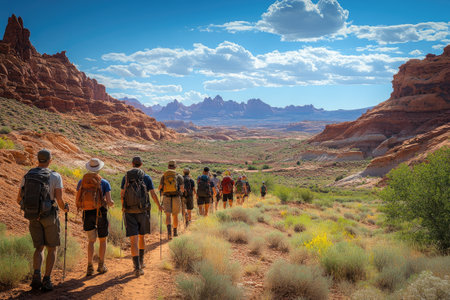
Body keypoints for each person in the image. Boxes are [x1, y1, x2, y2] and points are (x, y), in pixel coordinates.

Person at [17, 149, 69, 291]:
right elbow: (59, 199)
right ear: (50, 160)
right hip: (50, 216)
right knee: (52, 248)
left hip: (33, 216)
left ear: (37, 160)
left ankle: (36, 277)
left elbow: (19, 198)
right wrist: (65, 208)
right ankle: (47, 280)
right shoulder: (55, 176)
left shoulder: (28, 175)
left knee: (38, 248)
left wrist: (33, 209)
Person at [121, 156, 162, 276]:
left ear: (132, 164)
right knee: (141, 237)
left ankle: (137, 267)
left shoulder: (126, 177)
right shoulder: (146, 177)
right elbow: (153, 194)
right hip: (143, 211)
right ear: (141, 164)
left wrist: (123, 208)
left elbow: (122, 194)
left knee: (133, 240)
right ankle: (142, 261)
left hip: (129, 212)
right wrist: (159, 206)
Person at [76, 158, 114, 276]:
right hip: (101, 212)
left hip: (87, 213)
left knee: (91, 241)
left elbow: (78, 197)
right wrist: (111, 203)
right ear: (99, 168)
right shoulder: (104, 182)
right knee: (103, 240)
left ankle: (89, 266)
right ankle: (101, 266)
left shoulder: (82, 182)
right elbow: (108, 201)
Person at [159, 160, 184, 240]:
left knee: (168, 215)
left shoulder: (164, 176)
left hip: (166, 196)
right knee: (175, 215)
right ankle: (175, 232)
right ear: (175, 167)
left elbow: (160, 187)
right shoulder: (179, 176)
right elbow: (182, 189)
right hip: (176, 197)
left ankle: (169, 233)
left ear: (168, 166)